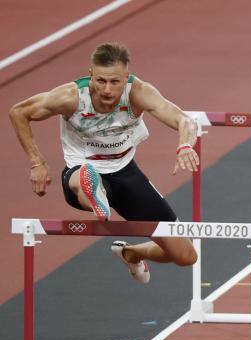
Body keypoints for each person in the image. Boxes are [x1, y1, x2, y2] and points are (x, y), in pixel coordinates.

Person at [9, 42, 198, 283]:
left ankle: (130, 252)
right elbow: (19, 112)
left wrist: (184, 145)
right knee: (85, 179)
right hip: (80, 170)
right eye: (100, 81)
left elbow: (184, 120)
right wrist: (37, 162)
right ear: (91, 76)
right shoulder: (70, 97)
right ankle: (95, 193)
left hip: (126, 174)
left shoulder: (139, 92)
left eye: (115, 82)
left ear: (126, 78)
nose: (107, 90)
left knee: (185, 256)